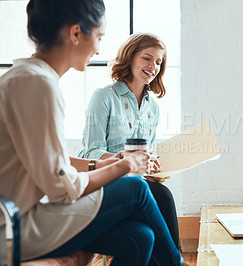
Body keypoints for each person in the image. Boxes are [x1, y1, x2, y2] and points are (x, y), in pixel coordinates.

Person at [0, 0, 186, 265]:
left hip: (21, 216)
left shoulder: (28, 77)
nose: (98, 49)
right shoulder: (38, 84)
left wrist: (102, 163)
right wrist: (125, 166)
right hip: (13, 226)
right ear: (75, 34)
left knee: (140, 237)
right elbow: (62, 189)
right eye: (99, 37)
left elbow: (49, 163)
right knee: (136, 188)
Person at [79, 33, 180, 251]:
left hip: (138, 183)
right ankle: (175, 258)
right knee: (161, 197)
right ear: (130, 57)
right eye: (147, 58)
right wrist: (126, 161)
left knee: (158, 194)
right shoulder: (104, 97)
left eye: (158, 62)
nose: (153, 66)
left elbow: (147, 155)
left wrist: (153, 170)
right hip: (106, 181)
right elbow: (90, 153)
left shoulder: (153, 108)